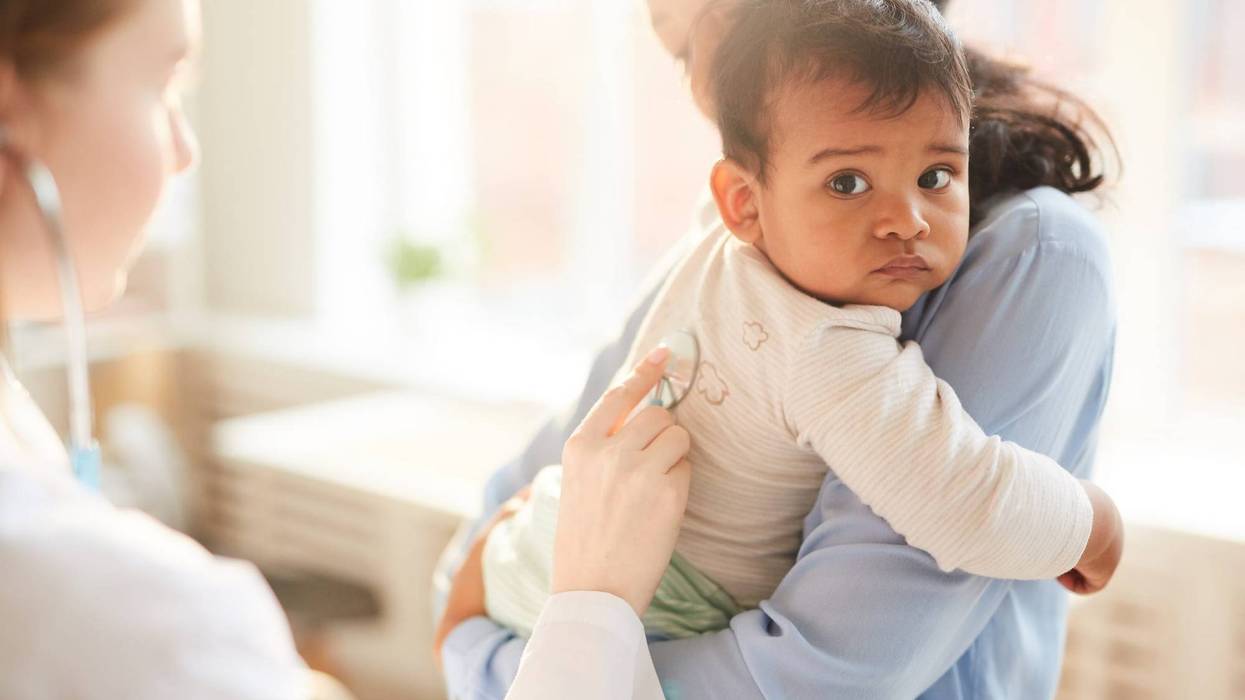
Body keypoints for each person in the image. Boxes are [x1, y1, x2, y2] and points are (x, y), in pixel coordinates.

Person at [0, 2, 702, 698]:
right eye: (164, 85)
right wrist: (590, 605)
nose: (186, 150)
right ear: (8, 105)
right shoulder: (135, 625)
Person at [436, 0, 1121, 697]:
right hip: (613, 597)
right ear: (742, 202)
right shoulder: (761, 266)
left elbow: (818, 674)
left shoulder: (1028, 254)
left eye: (723, 26)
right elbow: (960, 497)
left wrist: (495, 640)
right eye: (679, 55)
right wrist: (1090, 526)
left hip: (559, 596)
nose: (704, 85)